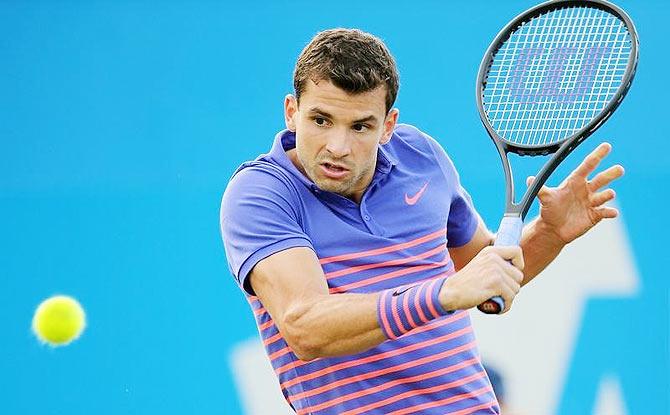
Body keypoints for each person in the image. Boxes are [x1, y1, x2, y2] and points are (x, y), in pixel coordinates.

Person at [220, 28, 623, 415]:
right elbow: (305, 326)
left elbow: (485, 280)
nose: (337, 147)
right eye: (321, 120)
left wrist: (549, 234)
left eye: (360, 126)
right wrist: (443, 293)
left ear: (388, 126)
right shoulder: (261, 194)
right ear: (292, 112)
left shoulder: (421, 156)